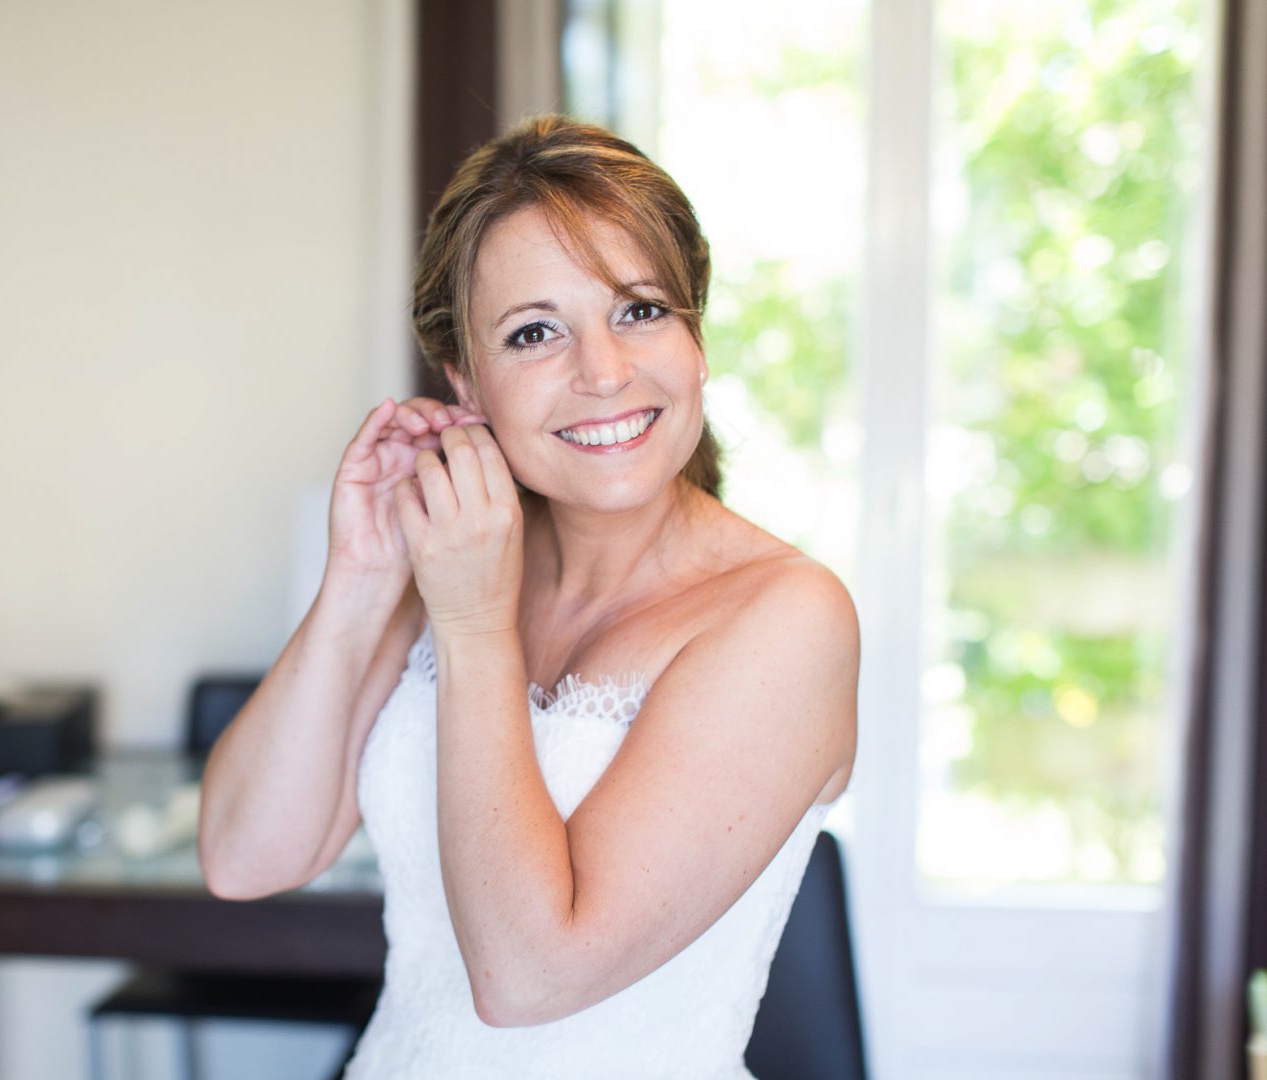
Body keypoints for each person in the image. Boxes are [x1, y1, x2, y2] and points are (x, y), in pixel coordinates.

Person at [198, 115, 859, 1078]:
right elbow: (245, 858)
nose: (604, 372)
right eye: (535, 332)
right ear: (467, 384)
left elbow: (528, 978)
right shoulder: (458, 553)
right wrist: (364, 576)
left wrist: (473, 625)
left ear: (696, 339)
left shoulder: (787, 619)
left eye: (640, 310)